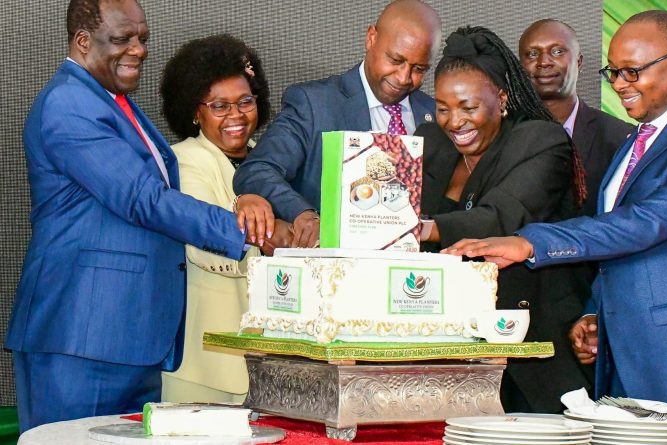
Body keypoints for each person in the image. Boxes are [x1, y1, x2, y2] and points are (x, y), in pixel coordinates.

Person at [443, 10, 667, 444]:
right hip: (633, 369)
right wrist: (595, 310)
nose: (620, 83)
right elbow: (622, 244)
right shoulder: (639, 138)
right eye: (614, 71)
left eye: (633, 71)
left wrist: (530, 242)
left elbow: (645, 224)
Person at [5, 0, 274, 432]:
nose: (139, 50)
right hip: (82, 337)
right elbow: (142, 198)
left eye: (143, 38)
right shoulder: (69, 103)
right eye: (122, 39)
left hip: (134, 337)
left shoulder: (114, 102)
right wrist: (247, 229)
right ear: (82, 40)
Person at [416, 26, 592, 413]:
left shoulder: (542, 141)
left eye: (468, 107)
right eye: (443, 108)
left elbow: (502, 217)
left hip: (535, 348)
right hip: (450, 349)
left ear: (502, 97)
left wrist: (423, 228)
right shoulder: (429, 142)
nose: (454, 122)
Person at [233, 0, 440, 246]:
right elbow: (257, 170)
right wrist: (304, 215)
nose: (404, 77)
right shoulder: (314, 104)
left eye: (419, 68)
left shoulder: (436, 115)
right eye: (395, 60)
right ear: (371, 38)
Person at [159, 35, 293, 403]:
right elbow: (205, 249)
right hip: (208, 366)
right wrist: (277, 243)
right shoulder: (185, 160)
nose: (236, 116)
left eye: (245, 102)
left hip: (272, 362)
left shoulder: (268, 162)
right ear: (194, 111)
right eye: (219, 105)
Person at [518, 19, 633, 216]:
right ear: (520, 67)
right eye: (532, 54)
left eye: (557, 52)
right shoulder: (504, 132)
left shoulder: (620, 138)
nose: (544, 62)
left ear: (579, 62)